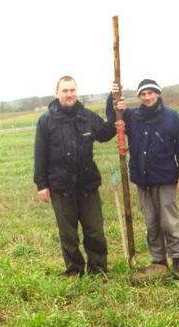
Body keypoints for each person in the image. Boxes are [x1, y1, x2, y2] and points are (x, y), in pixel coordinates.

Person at [107, 78, 179, 280]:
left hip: (165, 179)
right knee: (151, 223)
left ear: (158, 94)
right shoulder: (133, 116)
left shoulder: (172, 117)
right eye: (143, 94)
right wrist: (114, 97)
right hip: (142, 180)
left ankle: (178, 261)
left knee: (169, 222)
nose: (147, 97)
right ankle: (158, 261)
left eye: (150, 93)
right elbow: (113, 119)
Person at [34, 76, 116, 276]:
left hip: (87, 186)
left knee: (95, 232)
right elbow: (40, 154)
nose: (69, 94)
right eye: (65, 91)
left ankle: (98, 270)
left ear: (76, 92)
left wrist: (112, 104)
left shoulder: (87, 116)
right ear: (57, 93)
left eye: (72, 90)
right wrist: (41, 184)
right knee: (68, 235)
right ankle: (74, 271)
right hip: (61, 188)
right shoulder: (46, 120)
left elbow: (106, 133)